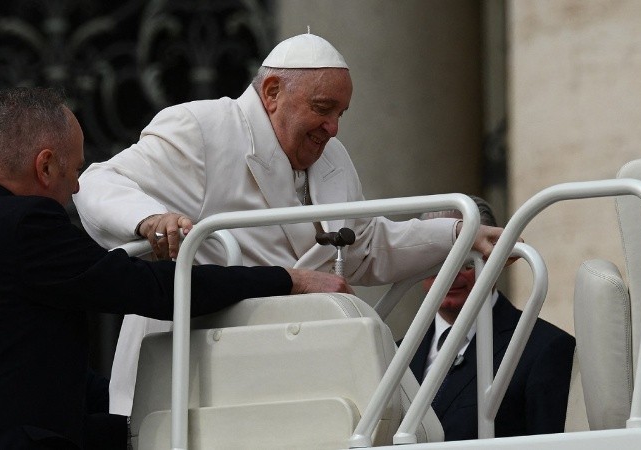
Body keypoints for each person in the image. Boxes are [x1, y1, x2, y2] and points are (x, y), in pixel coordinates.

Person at [73, 32, 505, 416]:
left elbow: (365, 246)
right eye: (323, 109)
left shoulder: (332, 158)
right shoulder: (202, 129)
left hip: (286, 371)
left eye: (341, 113)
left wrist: (459, 233)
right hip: (193, 374)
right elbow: (98, 182)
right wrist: (150, 220)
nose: (333, 128)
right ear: (273, 92)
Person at [0, 87, 350, 450]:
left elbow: (19, 359)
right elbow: (147, 287)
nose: (77, 189)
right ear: (46, 165)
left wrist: (128, 405)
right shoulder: (26, 226)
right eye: (75, 171)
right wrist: (286, 278)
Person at [407, 196, 575, 441]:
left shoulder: (543, 348)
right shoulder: (395, 354)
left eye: (465, 262)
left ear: (496, 260)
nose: (450, 277)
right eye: (436, 263)